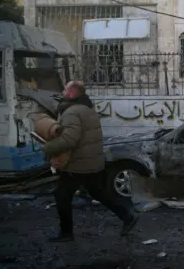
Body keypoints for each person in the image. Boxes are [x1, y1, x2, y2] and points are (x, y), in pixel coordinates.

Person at [43, 81, 139, 242]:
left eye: (65, 89)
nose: (62, 90)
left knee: (61, 195)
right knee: (98, 192)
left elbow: (69, 140)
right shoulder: (88, 109)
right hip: (92, 162)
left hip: (78, 165)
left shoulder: (72, 112)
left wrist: (47, 147)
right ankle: (127, 217)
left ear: (72, 93)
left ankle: (66, 233)